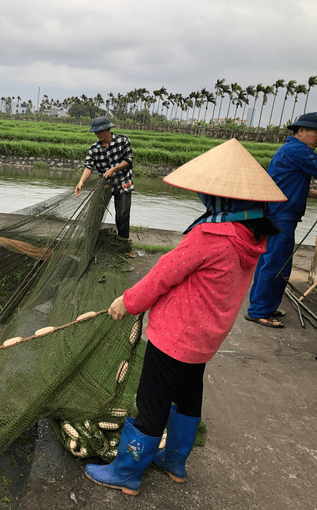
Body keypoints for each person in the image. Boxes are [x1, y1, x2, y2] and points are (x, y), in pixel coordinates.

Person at [84, 139, 285, 496]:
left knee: (152, 402)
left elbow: (163, 274)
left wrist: (127, 302)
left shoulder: (211, 235)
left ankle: (127, 471)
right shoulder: (250, 237)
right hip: (205, 340)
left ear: (222, 200)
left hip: (174, 337)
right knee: (188, 398)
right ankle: (174, 461)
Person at [245, 112, 317, 328]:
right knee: (276, 263)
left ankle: (265, 306)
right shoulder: (298, 150)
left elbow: (289, 183)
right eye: (316, 133)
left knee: (276, 264)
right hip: (281, 215)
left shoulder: (290, 151)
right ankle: (259, 311)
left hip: (279, 212)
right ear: (301, 131)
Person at [75, 116, 134, 239]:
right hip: (105, 184)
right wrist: (81, 182)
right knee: (94, 213)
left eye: (100, 131)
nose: (97, 134)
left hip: (123, 183)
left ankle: (123, 242)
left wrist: (113, 169)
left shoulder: (123, 140)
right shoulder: (93, 149)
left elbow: (128, 160)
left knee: (122, 214)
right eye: (96, 132)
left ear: (108, 129)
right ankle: (90, 240)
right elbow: (89, 166)